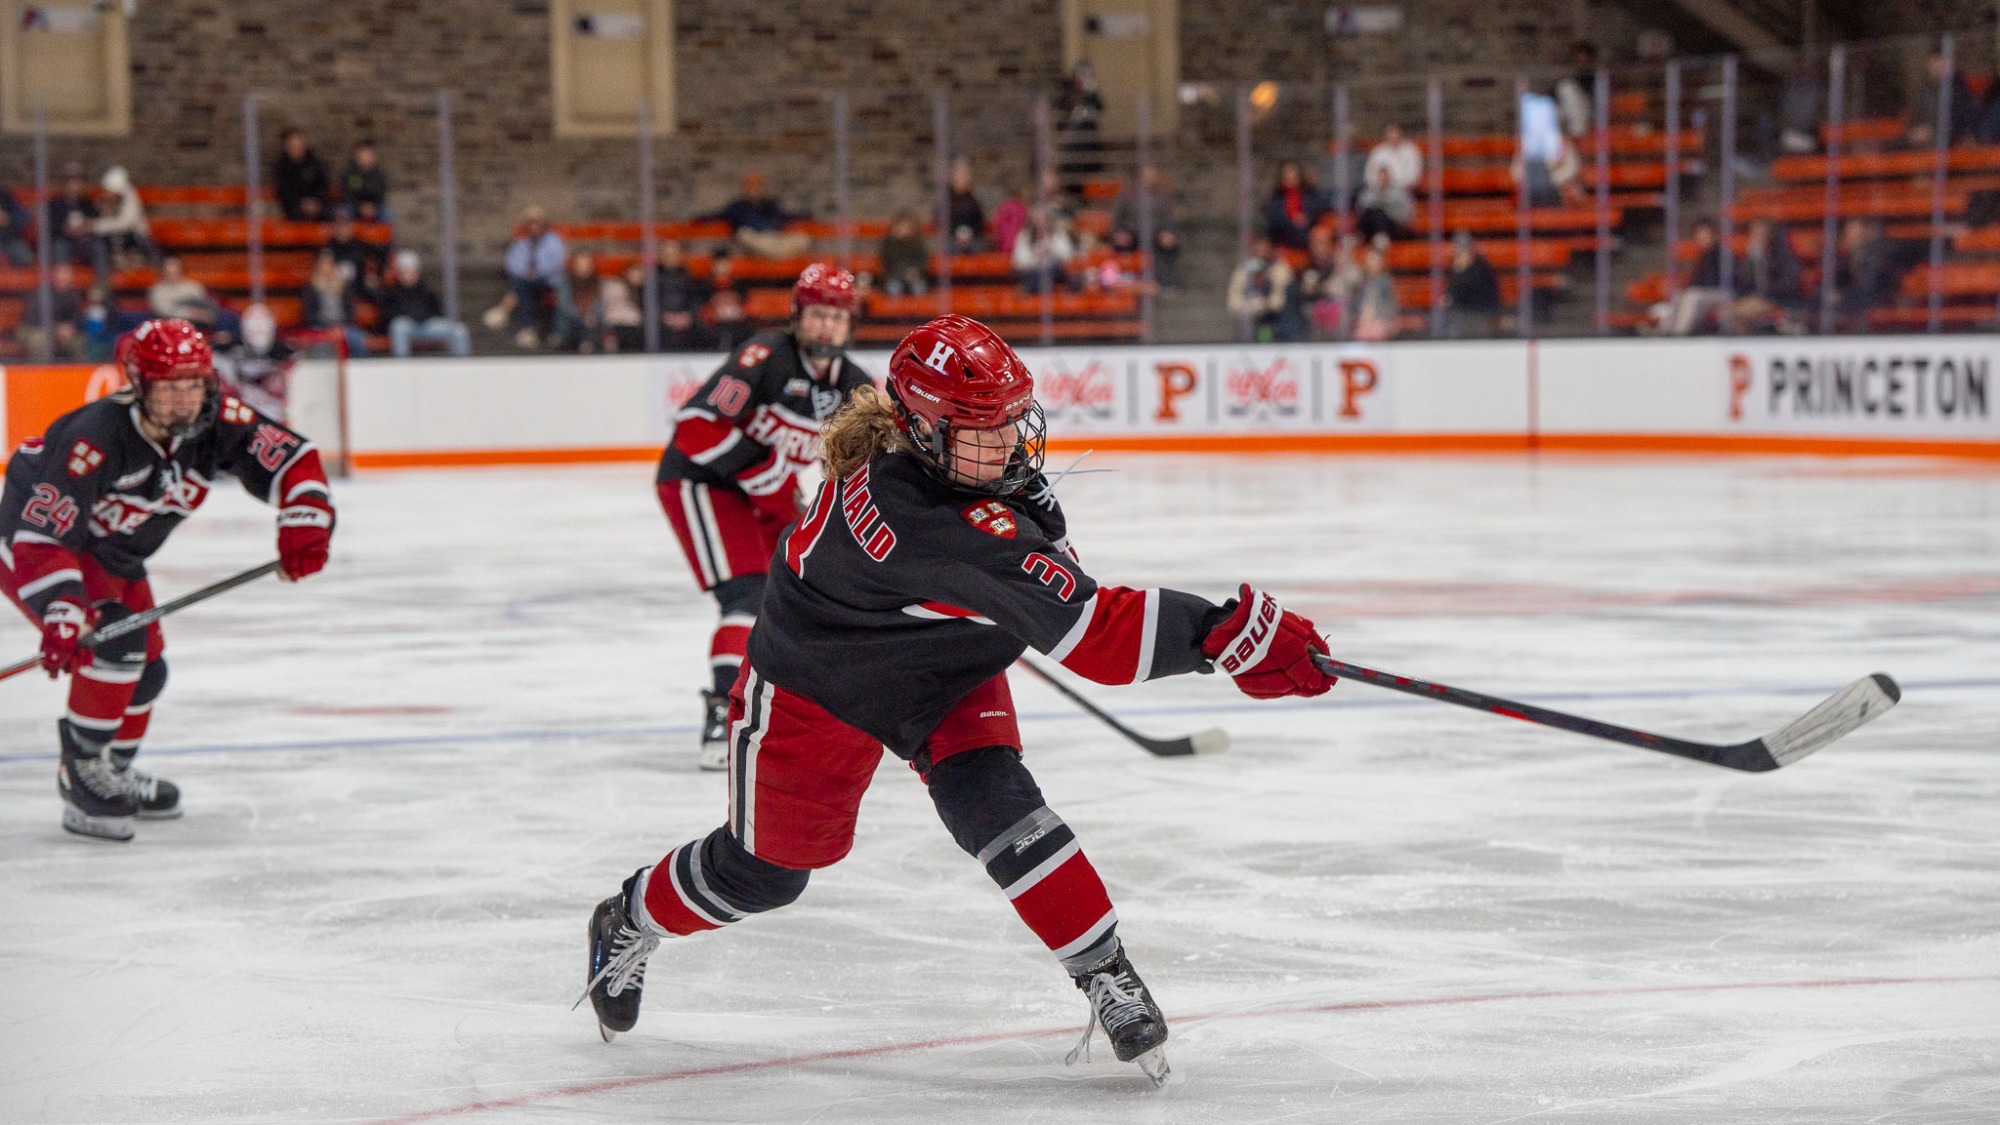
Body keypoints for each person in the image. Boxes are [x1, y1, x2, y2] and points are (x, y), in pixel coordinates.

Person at [581, 314, 1335, 1086]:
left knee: (997, 799)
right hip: (819, 682)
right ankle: (630, 914)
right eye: (982, 428)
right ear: (925, 431)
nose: (1008, 441)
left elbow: (1014, 569)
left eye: (1012, 417)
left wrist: (979, 603)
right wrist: (1222, 634)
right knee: (768, 872)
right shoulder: (933, 523)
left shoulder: (938, 466)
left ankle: (1105, 970)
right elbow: (1095, 635)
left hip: (939, 661)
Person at [0, 318, 334, 841]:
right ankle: (81, 771)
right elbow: (44, 538)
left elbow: (291, 457)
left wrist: (304, 517)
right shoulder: (93, 437)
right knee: (117, 642)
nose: (184, 399)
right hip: (33, 545)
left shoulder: (217, 419)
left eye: (193, 384)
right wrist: (64, 612)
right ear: (138, 385)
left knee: (148, 671)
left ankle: (116, 771)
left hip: (115, 553)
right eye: (169, 387)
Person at [653, 264, 872, 771]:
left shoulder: (854, 385)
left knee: (801, 592)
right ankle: (721, 709)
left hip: (760, 494)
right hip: (701, 482)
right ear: (798, 315)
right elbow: (696, 427)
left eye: (837, 318)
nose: (827, 327)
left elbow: (864, 467)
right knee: (747, 594)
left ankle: (789, 708)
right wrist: (765, 469)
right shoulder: (764, 356)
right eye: (818, 314)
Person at [485, 207, 572, 349]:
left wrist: (537, 272)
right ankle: (527, 330)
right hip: (527, 281)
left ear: (543, 224)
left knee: (522, 286)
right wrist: (526, 273)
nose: (534, 226)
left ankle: (505, 310)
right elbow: (512, 263)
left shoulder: (553, 241)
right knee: (523, 287)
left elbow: (556, 262)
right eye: (531, 223)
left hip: (549, 280)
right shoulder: (521, 243)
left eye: (537, 223)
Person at [377, 250, 471, 357]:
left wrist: (422, 316)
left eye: (411, 271)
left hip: (427, 324)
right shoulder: (392, 292)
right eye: (405, 271)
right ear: (399, 273)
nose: (408, 275)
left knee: (459, 330)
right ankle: (401, 365)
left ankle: (461, 366)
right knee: (399, 326)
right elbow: (386, 316)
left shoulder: (426, 290)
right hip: (408, 326)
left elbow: (436, 311)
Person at [704, 173, 811, 259]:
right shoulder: (736, 206)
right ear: (745, 188)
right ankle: (777, 255)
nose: (754, 189)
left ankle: (773, 255)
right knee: (744, 235)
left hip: (773, 239)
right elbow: (717, 216)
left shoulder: (770, 204)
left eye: (757, 185)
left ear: (762, 187)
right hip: (752, 242)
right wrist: (700, 219)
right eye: (750, 185)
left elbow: (785, 217)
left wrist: (805, 216)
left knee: (802, 238)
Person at [217, 303, 297, 418]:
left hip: (274, 411)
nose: (258, 332)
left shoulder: (286, 352)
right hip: (242, 411)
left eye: (262, 329)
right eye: (254, 329)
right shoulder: (229, 350)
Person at [1108, 165, 1181, 288]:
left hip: (1156, 233)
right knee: (1121, 242)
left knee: (1170, 244)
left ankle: (1167, 282)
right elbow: (1117, 218)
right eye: (1147, 174)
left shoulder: (1162, 197)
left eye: (1152, 174)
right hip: (1132, 233)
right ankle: (1127, 279)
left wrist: (1169, 233)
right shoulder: (1126, 194)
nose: (1150, 178)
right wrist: (1119, 233)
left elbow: (1169, 220)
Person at [1226, 234, 1297, 341]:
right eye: (1258, 246)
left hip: (1274, 320)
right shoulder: (1243, 270)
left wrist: (1266, 305)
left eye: (1264, 246)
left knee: (1267, 331)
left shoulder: (1279, 268)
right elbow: (1234, 300)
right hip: (1249, 319)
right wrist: (1249, 307)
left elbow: (1279, 300)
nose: (1261, 250)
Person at [301, 248, 370, 358]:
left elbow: (350, 309)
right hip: (321, 327)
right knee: (321, 345)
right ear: (318, 267)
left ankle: (358, 371)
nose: (326, 267)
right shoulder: (311, 288)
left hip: (343, 326)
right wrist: (328, 328)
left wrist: (341, 327)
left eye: (329, 264)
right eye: (323, 264)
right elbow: (309, 313)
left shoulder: (343, 286)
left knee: (358, 339)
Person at [45, 164, 106, 276]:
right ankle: (63, 288)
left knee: (98, 247)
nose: (74, 187)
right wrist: (65, 229)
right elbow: (50, 227)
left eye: (77, 183)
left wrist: (88, 227)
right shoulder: (55, 204)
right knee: (59, 247)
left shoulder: (87, 203)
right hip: (63, 242)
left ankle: (101, 285)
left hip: (83, 242)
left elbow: (96, 222)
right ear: (64, 185)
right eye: (71, 183)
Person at [91, 166, 157, 269]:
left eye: (108, 190)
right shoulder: (108, 200)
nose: (106, 193)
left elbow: (125, 224)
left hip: (137, 240)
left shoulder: (130, 198)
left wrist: (96, 226)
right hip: (117, 243)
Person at [1441, 232, 1501, 338]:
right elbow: (1451, 294)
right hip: (1463, 314)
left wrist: (1461, 272)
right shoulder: (1456, 267)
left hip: (1478, 314)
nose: (1460, 251)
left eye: (1463, 248)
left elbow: (1470, 292)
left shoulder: (1482, 268)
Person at [1012, 205, 1076, 295]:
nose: (1040, 222)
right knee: (1034, 275)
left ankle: (1032, 289)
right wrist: (1036, 258)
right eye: (1037, 219)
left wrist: (1051, 248)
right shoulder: (1023, 237)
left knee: (1052, 268)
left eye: (1043, 219)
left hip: (1054, 273)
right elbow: (1019, 262)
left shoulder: (1058, 235)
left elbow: (1067, 256)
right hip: (1032, 272)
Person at [272, 128, 333, 222]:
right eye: (293, 145)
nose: (297, 148)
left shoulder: (315, 163)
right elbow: (283, 191)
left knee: (333, 216)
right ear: (286, 146)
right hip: (294, 207)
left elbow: (323, 184)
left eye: (299, 144)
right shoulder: (282, 167)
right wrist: (301, 203)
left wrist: (316, 201)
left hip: (317, 205)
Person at [1265, 162, 1326, 251]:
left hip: (1308, 235)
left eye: (1293, 175)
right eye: (1287, 175)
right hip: (1286, 237)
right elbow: (1274, 219)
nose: (1290, 178)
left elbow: (1318, 209)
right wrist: (1292, 220)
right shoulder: (1276, 199)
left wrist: (1306, 217)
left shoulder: (1309, 195)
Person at [1350, 241, 1401, 342]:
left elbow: (1391, 304)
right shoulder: (1361, 282)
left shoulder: (1386, 282)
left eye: (1375, 260)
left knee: (1379, 330)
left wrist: (1388, 321)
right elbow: (1355, 303)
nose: (1372, 263)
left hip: (1380, 320)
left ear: (1381, 262)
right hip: (1363, 321)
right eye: (1370, 259)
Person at [326, 213, 387, 290]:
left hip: (359, 284)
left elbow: (380, 256)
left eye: (345, 227)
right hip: (333, 286)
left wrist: (374, 275)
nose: (342, 231)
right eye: (339, 227)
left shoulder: (361, 246)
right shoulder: (329, 247)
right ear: (335, 229)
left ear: (351, 228)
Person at [879, 212, 932, 296]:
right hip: (895, 276)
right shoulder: (889, 243)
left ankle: (918, 309)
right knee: (893, 289)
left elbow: (923, 262)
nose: (904, 229)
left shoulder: (918, 243)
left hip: (915, 277)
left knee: (920, 288)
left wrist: (916, 272)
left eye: (907, 227)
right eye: (901, 226)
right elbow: (889, 261)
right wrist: (895, 241)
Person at [338, 140, 389, 223]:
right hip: (353, 206)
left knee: (387, 216)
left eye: (369, 154)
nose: (366, 158)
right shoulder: (349, 174)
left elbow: (380, 195)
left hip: (374, 207)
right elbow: (347, 194)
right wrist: (359, 207)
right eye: (363, 154)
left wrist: (373, 206)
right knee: (343, 214)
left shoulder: (379, 175)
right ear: (356, 156)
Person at [148, 256, 213, 322]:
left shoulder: (194, 287)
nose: (173, 271)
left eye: (175, 267)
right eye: (169, 268)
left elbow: (205, 307)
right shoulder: (156, 291)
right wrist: (191, 314)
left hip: (198, 325)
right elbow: (163, 311)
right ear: (163, 270)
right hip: (171, 326)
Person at [946, 158, 987, 253]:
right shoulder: (946, 202)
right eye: (959, 177)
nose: (962, 180)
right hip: (952, 238)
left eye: (965, 177)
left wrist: (970, 233)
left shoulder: (974, 201)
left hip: (972, 238)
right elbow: (941, 221)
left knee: (980, 248)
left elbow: (979, 222)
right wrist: (956, 234)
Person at [0, 185, 33, 268]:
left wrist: (8, 219)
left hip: (8, 240)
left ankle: (14, 280)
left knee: (25, 258)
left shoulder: (5, 196)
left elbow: (24, 217)